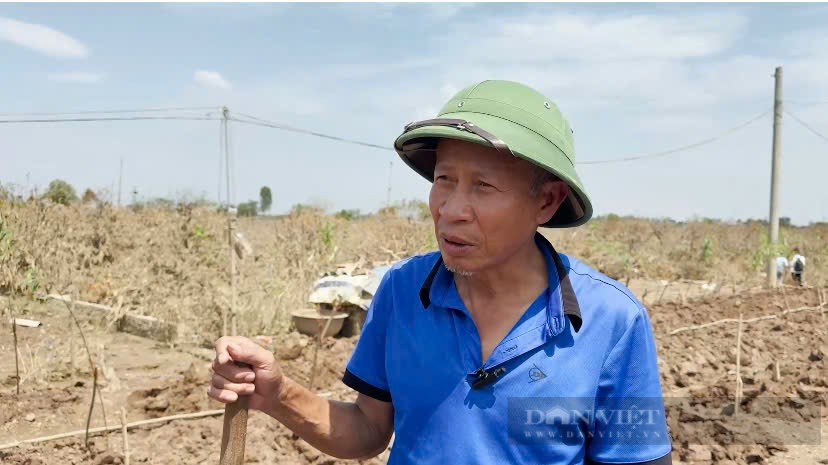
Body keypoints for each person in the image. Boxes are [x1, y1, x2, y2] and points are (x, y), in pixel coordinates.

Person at [208, 80, 673, 465]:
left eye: (483, 187)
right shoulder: (402, 291)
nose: (450, 210)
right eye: (444, 180)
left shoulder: (612, 321)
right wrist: (277, 394)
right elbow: (368, 429)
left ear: (546, 200)